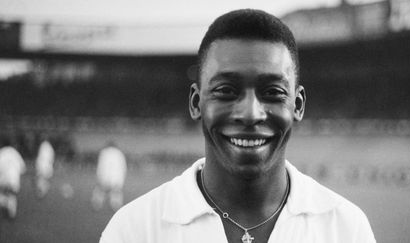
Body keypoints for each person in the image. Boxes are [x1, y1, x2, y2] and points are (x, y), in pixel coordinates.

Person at [100, 9, 376, 243]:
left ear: (298, 105)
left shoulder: (346, 229)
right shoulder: (133, 230)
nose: (250, 114)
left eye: (273, 92)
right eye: (226, 90)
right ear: (196, 103)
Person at [91, 141, 127, 211]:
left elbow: (101, 165)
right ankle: (116, 206)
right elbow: (123, 166)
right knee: (116, 192)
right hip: (116, 176)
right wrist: (121, 177)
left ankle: (97, 205)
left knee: (101, 190)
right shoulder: (119, 153)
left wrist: (99, 176)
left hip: (105, 175)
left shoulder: (104, 152)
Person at [0, 144, 26, 219]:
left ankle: (6, 204)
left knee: (3, 195)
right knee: (12, 196)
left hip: (3, 180)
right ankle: (11, 211)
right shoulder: (15, 153)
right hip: (14, 180)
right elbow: (23, 169)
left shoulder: (1, 152)